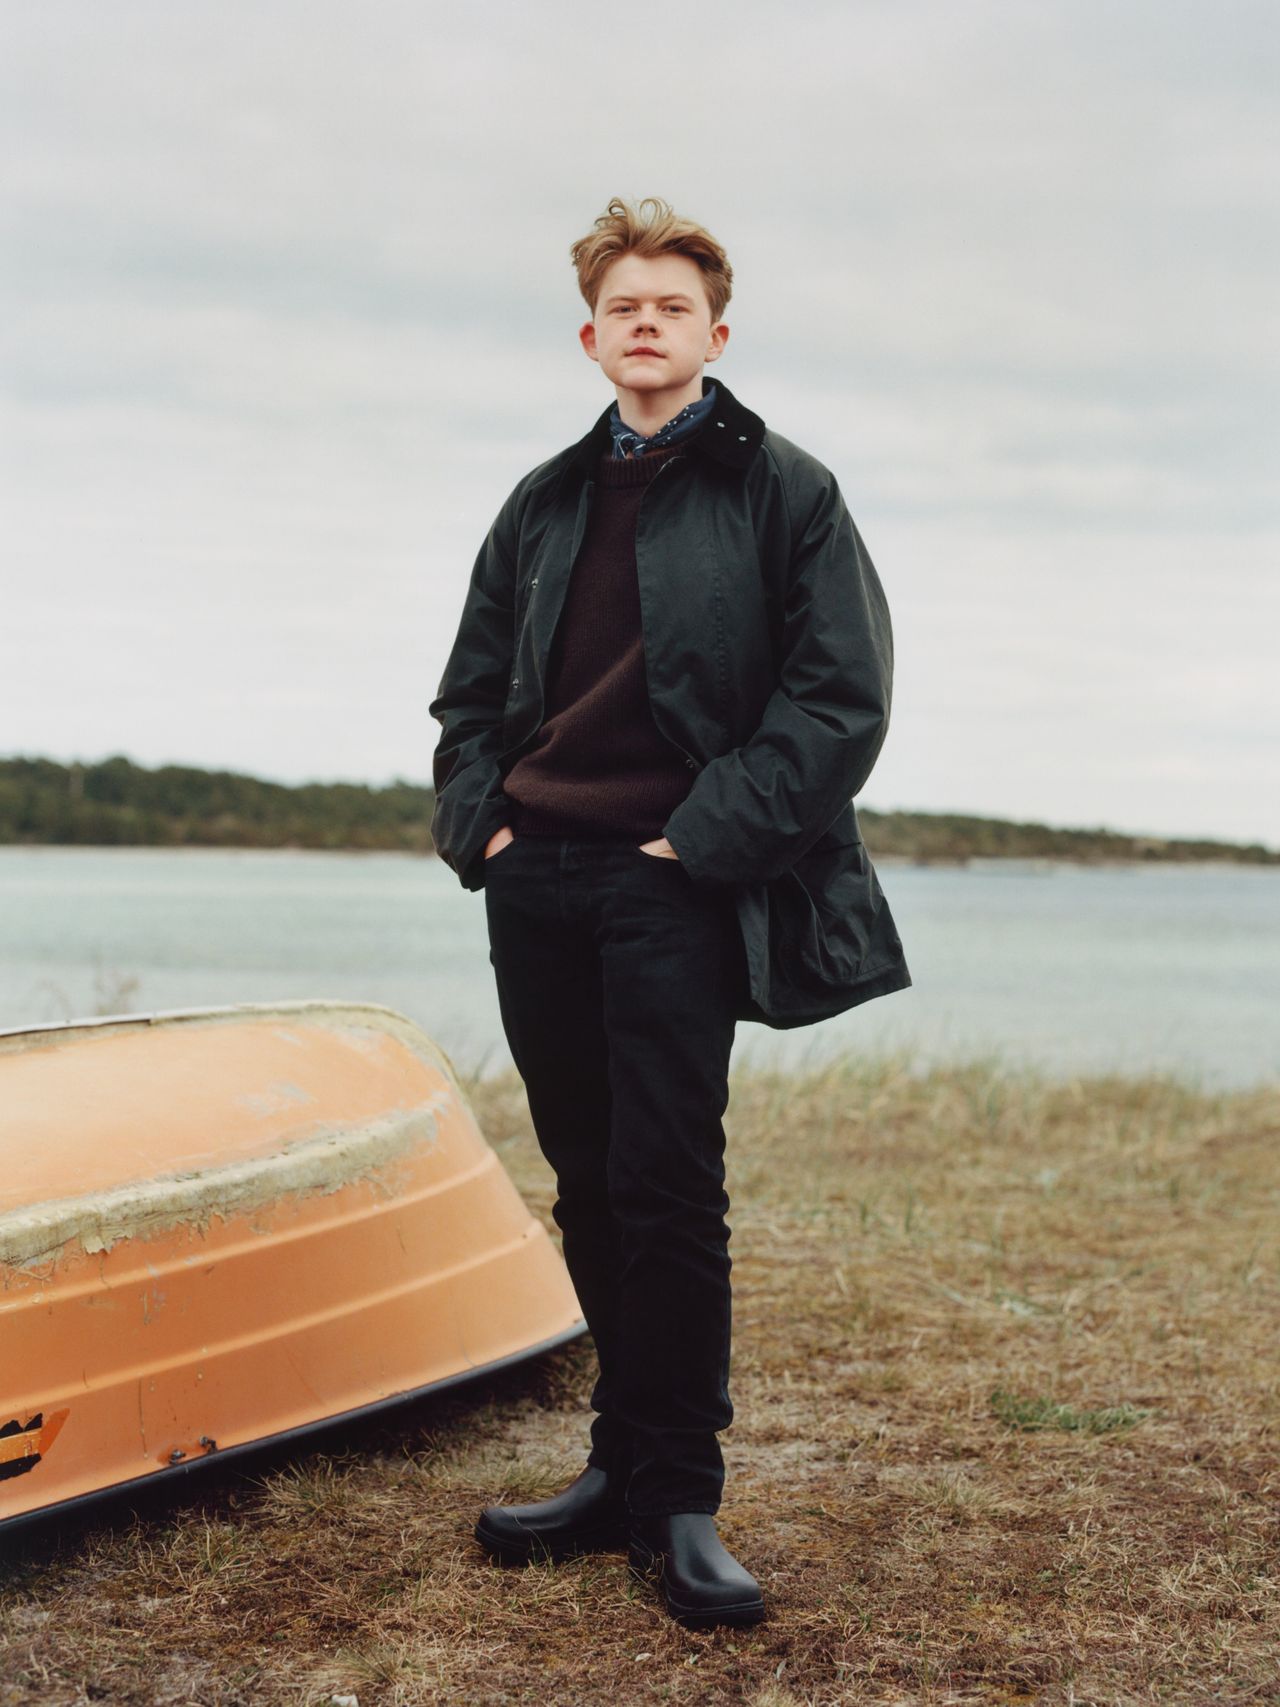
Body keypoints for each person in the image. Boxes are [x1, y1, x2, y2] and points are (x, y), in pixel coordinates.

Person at [428, 196, 910, 1629]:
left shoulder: (787, 492)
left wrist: (698, 841)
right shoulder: (541, 500)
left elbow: (839, 701)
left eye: (672, 307)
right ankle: (618, 1470)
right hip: (539, 882)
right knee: (587, 1179)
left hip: (673, 882)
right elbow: (467, 697)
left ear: (715, 333)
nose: (647, 325)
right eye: (623, 308)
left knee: (669, 1185)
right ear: (591, 338)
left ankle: (681, 1499)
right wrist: (484, 826)